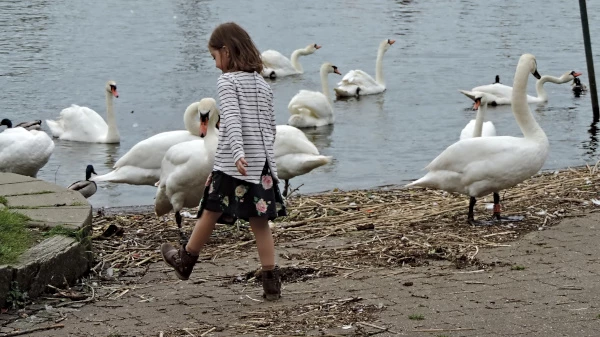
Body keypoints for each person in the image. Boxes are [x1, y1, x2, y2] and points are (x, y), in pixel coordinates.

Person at [160, 22, 287, 301]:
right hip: (261, 165)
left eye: (215, 57)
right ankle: (271, 281)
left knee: (211, 210)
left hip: (234, 162)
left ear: (226, 52)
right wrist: (267, 164)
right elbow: (270, 128)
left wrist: (237, 155)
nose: (216, 65)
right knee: (260, 220)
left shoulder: (227, 82)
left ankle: (185, 261)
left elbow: (230, 122)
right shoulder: (262, 84)